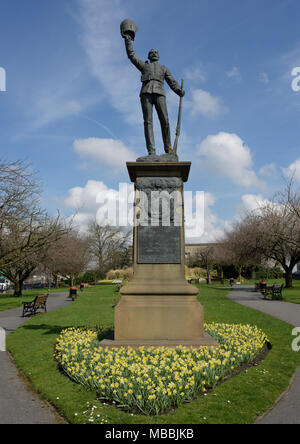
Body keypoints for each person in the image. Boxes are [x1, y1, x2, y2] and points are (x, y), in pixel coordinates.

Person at [123, 34, 185, 156]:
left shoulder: (164, 68)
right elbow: (131, 55)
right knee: (148, 122)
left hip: (160, 93)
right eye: (152, 52)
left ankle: (168, 148)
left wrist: (179, 91)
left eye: (156, 52)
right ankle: (151, 151)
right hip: (146, 93)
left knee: (165, 121)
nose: (154, 53)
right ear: (149, 56)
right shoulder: (144, 66)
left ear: (159, 56)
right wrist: (128, 40)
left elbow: (172, 81)